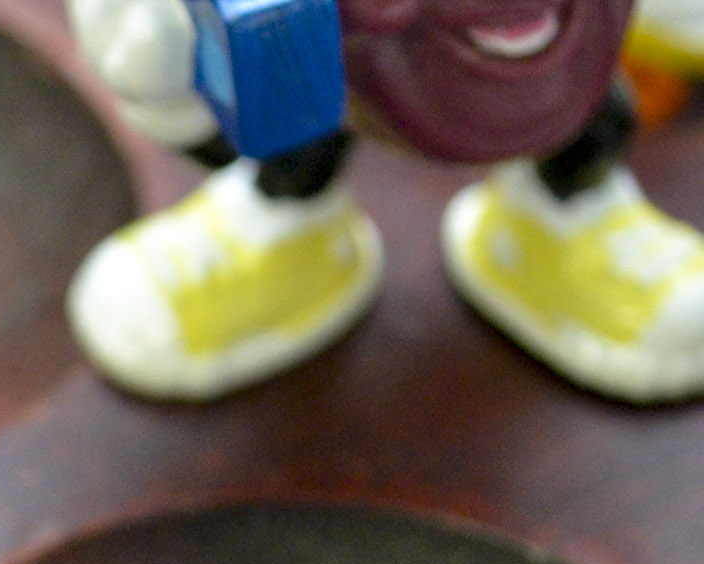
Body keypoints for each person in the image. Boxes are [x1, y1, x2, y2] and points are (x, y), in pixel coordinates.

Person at [67, 0, 704, 400]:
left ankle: (560, 219)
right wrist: (165, 64)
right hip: (344, 55)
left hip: (567, 60)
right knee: (293, 119)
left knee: (589, 116)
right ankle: (284, 231)